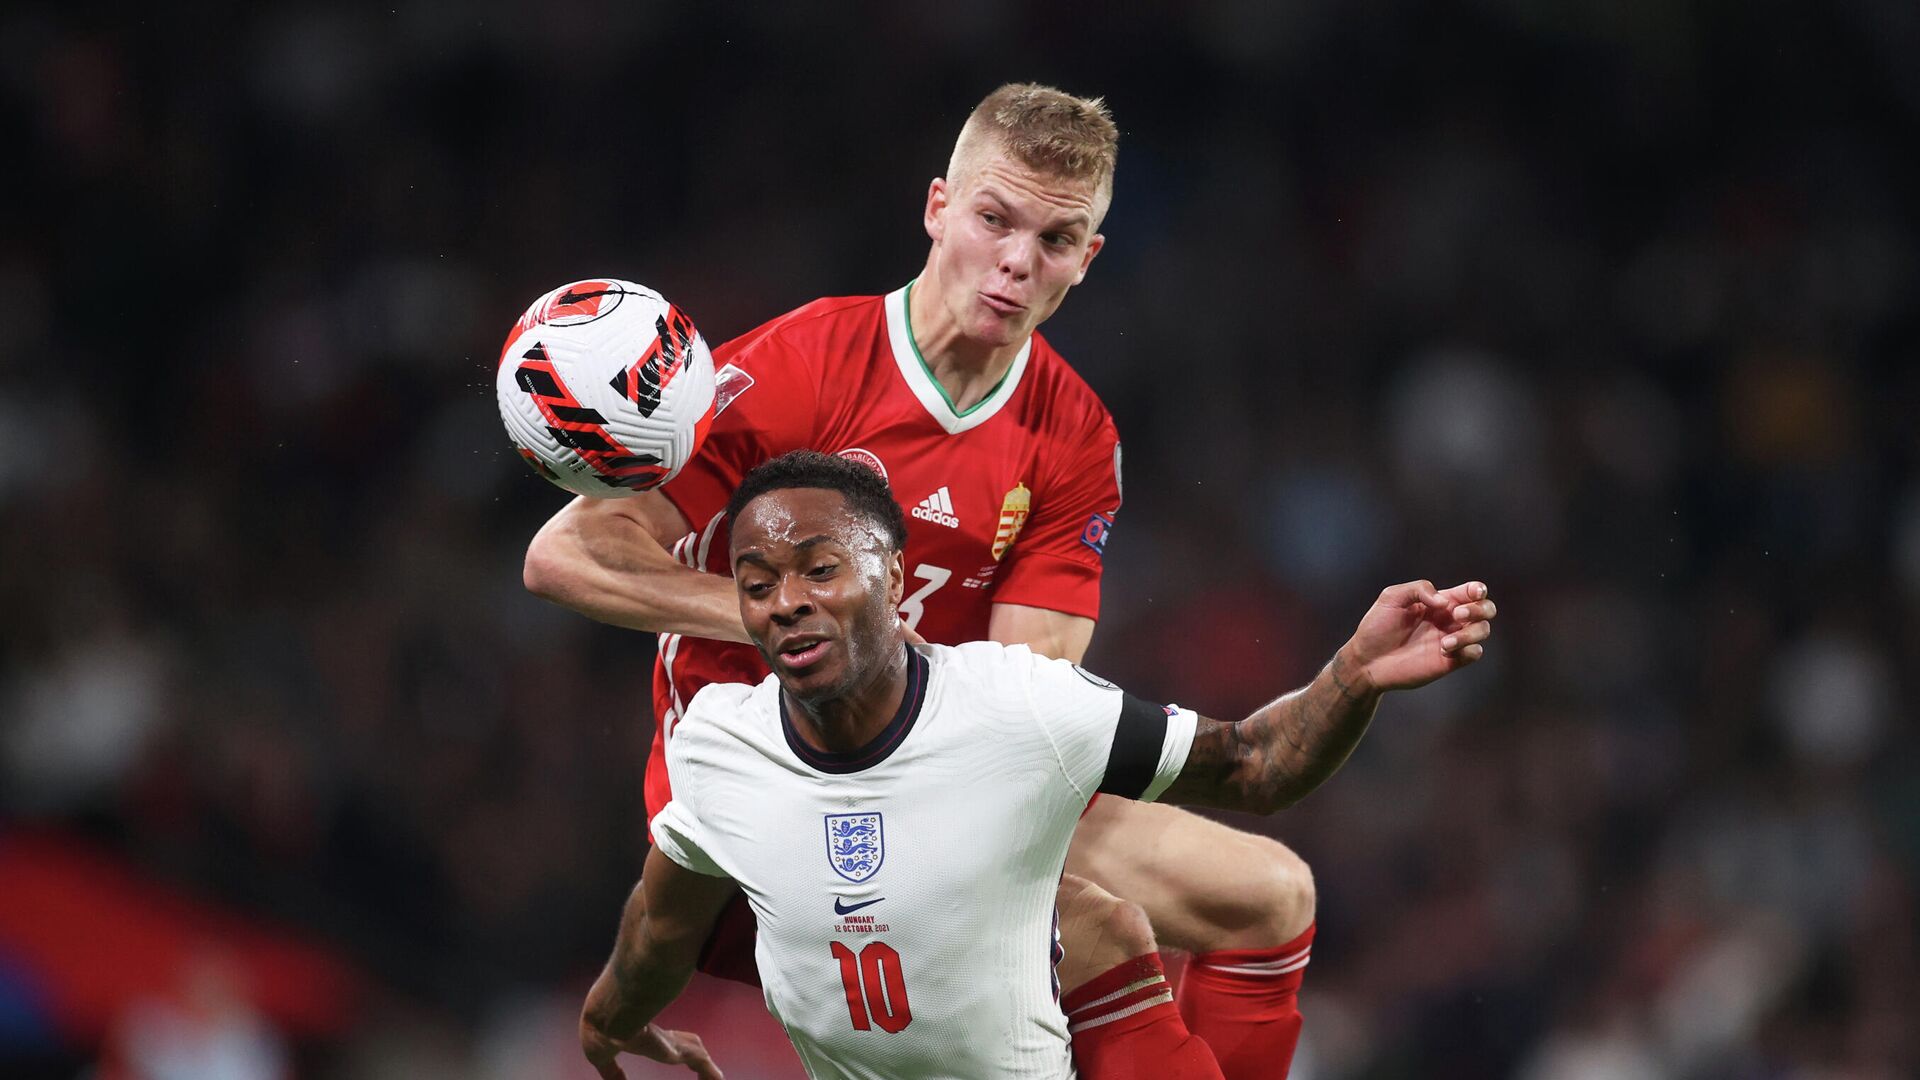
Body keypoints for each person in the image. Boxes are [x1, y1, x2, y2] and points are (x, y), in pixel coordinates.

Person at [525, 82, 1318, 1078]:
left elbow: (1028, 682)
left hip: (933, 769)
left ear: (1090, 257)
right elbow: (567, 552)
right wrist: (781, 616)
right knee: (1094, 928)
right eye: (996, 219)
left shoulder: (1072, 436)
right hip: (763, 799)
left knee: (1270, 896)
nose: (1019, 262)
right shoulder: (803, 368)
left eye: (1057, 239)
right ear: (939, 207)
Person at [577, 451, 1497, 1079]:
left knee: (1158, 915)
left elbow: (1253, 764)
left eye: (822, 571)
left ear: (897, 579)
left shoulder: (1020, 711)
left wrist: (1356, 675)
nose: (786, 603)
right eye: (757, 583)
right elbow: (662, 925)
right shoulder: (718, 744)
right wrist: (608, 1020)